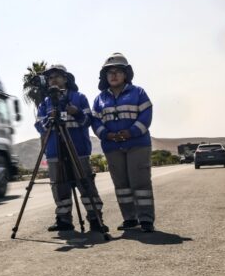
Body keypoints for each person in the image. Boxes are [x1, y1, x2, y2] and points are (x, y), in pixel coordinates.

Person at [34, 64, 106, 233]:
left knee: (86, 184)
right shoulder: (45, 103)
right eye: (50, 77)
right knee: (59, 186)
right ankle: (64, 219)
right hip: (54, 151)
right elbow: (38, 125)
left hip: (78, 149)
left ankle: (96, 219)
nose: (53, 80)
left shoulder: (79, 97)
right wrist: (48, 119)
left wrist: (75, 111)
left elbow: (88, 121)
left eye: (57, 76)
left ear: (66, 78)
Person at [90, 53, 156, 233]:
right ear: (105, 76)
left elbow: (146, 116)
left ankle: (146, 219)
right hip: (112, 146)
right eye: (109, 72)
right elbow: (95, 121)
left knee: (140, 183)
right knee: (121, 184)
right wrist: (107, 135)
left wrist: (131, 132)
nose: (113, 75)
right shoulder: (99, 99)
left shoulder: (138, 92)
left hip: (138, 144)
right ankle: (129, 218)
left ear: (126, 74)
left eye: (118, 71)